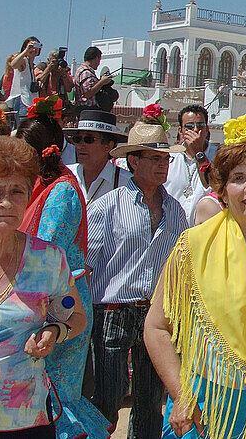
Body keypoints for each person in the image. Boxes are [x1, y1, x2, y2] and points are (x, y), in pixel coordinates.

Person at [144, 125, 246, 439]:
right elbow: (156, 328)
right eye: (238, 178)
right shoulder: (193, 247)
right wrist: (181, 393)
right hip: (210, 406)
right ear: (221, 190)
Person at [14, 100, 112, 439]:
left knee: (52, 388)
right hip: (45, 292)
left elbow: (44, 249)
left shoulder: (59, 193)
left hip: (60, 299)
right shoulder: (44, 188)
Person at [86, 120, 187, 438]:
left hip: (157, 314)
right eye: (154, 159)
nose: (162, 166)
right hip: (113, 310)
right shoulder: (106, 207)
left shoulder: (175, 211)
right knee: (107, 399)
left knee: (150, 402)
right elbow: (88, 264)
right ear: (133, 161)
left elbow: (181, 266)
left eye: (165, 159)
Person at [0, 135, 90, 438]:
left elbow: (76, 319)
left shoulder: (48, 260)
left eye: (16, 192)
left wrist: (53, 331)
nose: (7, 203)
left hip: (27, 420)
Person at [165, 104, 218, 221]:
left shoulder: (219, 156)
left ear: (207, 129)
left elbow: (214, 186)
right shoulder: (169, 158)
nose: (195, 130)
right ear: (181, 131)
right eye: (189, 126)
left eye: (200, 125)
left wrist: (199, 153)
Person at [66, 110, 132, 203]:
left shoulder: (126, 183)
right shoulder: (66, 174)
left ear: (108, 146)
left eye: (88, 139)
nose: (81, 145)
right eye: (77, 139)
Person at [5, 37, 41, 123]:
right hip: (23, 100)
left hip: (30, 100)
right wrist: (25, 52)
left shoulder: (32, 65)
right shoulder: (23, 60)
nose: (34, 49)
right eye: (32, 46)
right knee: (23, 128)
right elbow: (13, 65)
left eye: (37, 46)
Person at [73, 47, 116, 112]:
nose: (98, 63)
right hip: (88, 109)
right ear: (96, 58)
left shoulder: (80, 70)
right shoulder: (86, 73)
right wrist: (101, 82)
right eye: (99, 60)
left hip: (86, 110)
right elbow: (87, 94)